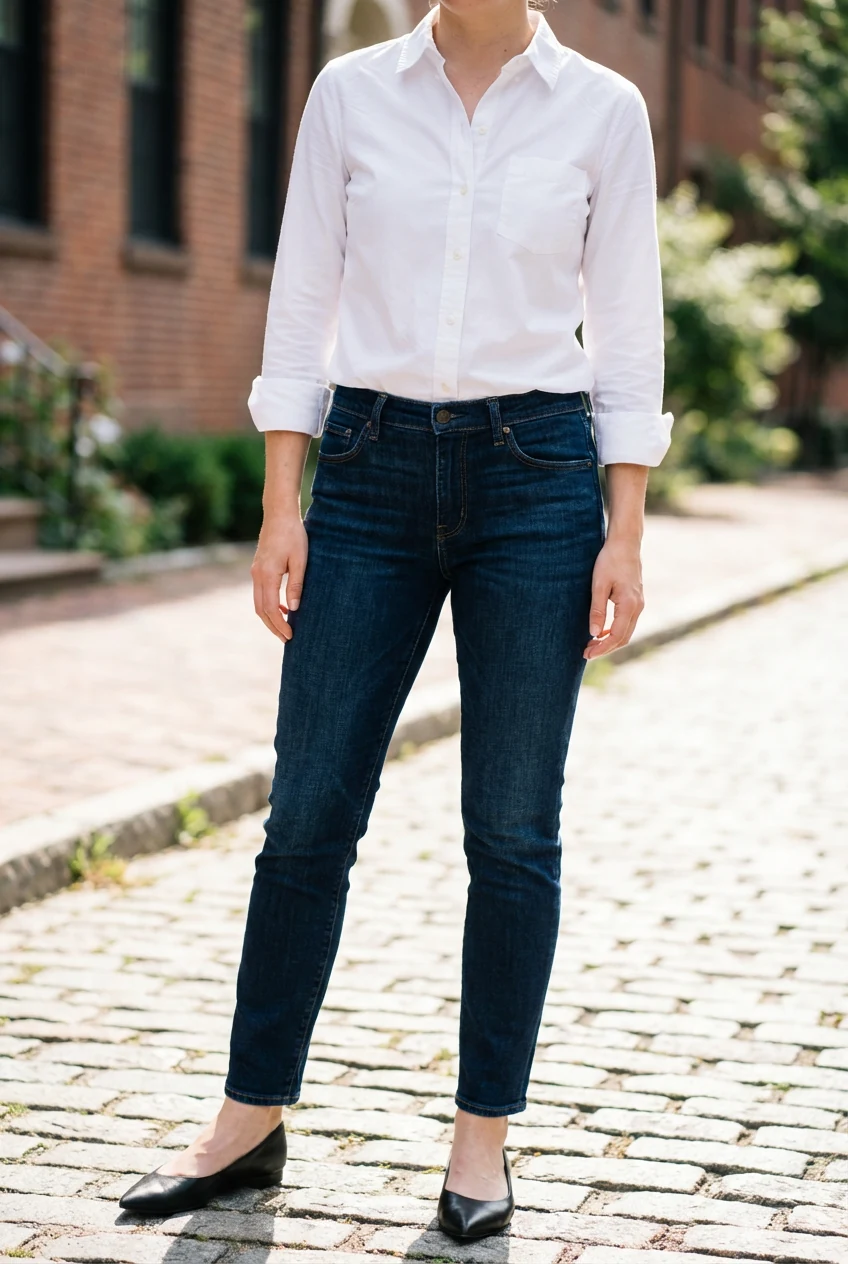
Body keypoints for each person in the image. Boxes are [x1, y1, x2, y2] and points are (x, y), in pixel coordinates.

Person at [120, 0, 673, 1239]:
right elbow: (302, 293)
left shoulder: (603, 108)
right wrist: (283, 503)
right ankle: (248, 1118)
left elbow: (628, 327)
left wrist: (621, 527)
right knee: (308, 812)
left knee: (513, 828)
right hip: (365, 470)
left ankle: (481, 1142)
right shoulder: (349, 91)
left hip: (536, 476)